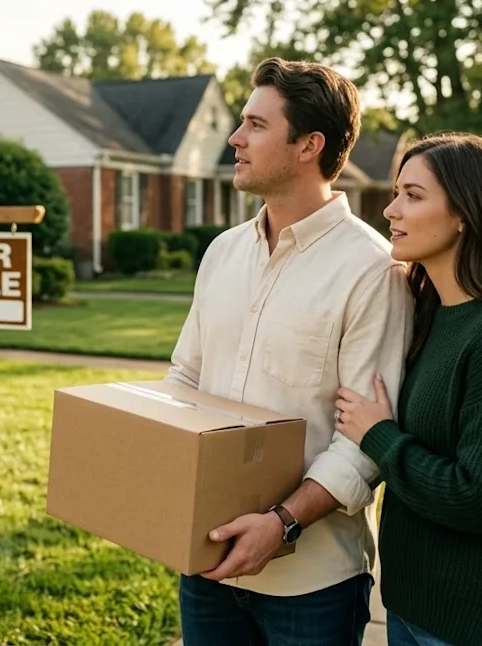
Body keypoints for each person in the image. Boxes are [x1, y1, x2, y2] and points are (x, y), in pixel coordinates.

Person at [166, 57, 413, 646]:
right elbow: (186, 376)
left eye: (255, 124)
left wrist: (280, 524)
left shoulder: (372, 270)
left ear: (309, 145)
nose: (235, 138)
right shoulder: (222, 253)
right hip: (206, 559)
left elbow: (366, 441)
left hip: (313, 585)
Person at [333, 132, 482, 646]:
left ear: (466, 213)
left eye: (414, 196)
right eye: (397, 193)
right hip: (414, 605)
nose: (391, 210)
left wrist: (380, 435)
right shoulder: (432, 313)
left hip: (475, 623)